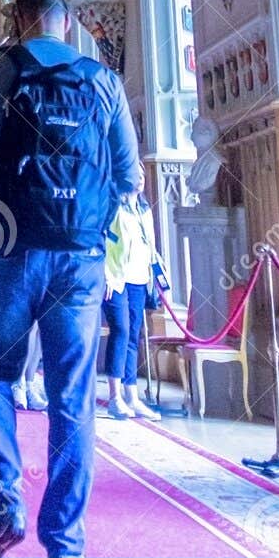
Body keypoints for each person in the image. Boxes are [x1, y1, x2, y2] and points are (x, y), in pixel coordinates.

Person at [0, 0, 138, 558]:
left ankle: (5, 498)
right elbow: (129, 178)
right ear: (68, 24)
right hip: (79, 259)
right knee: (71, 397)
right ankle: (65, 543)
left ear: (15, 18)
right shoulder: (103, 80)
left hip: (7, 249)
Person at [103, 174, 161, 421]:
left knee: (133, 335)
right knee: (121, 330)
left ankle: (132, 396)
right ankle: (115, 396)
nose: (140, 180)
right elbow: (105, 239)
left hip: (139, 277)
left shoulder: (144, 209)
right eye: (134, 175)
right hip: (116, 278)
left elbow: (150, 244)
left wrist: (157, 274)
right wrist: (105, 274)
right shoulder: (114, 206)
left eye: (143, 175)